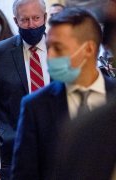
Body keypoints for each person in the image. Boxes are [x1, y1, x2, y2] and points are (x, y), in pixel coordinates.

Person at [11, 7, 116, 180]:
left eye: (58, 49)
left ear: (88, 49)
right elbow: (24, 174)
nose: (50, 56)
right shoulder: (35, 106)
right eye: (49, 47)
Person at [0, 0, 49, 179]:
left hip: (57, 151)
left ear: (45, 17)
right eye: (25, 20)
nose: (31, 25)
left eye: (36, 18)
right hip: (12, 154)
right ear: (16, 21)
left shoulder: (61, 49)